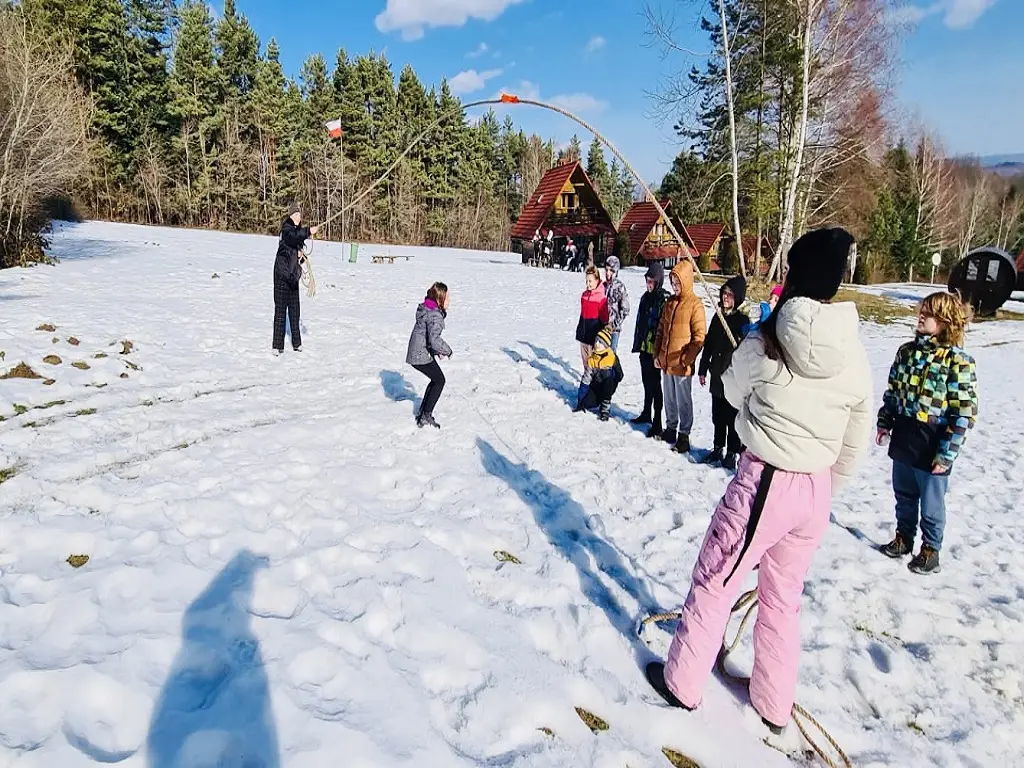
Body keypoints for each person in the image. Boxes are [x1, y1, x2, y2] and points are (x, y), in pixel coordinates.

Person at [644, 228, 873, 737]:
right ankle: (773, 703)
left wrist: (755, 403)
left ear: (795, 276)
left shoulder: (766, 339)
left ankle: (682, 683)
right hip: (815, 491)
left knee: (716, 578)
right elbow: (855, 433)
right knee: (782, 598)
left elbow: (729, 389)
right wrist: (827, 487)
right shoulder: (852, 352)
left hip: (766, 481)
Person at [876, 292, 978, 575]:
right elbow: (893, 392)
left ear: (946, 322)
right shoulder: (906, 352)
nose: (921, 316)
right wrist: (885, 420)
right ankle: (903, 538)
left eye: (929, 314)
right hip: (906, 434)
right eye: (922, 311)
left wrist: (947, 452)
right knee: (904, 493)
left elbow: (965, 412)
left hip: (934, 440)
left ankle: (930, 549)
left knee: (931, 502)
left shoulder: (957, 360)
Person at [653, 261, 706, 454]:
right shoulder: (669, 303)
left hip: (682, 364)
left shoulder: (695, 305)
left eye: (678, 283)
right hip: (666, 361)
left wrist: (686, 359)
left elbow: (699, 337)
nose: (674, 286)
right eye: (673, 282)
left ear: (686, 281)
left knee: (683, 399)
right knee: (669, 398)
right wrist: (657, 354)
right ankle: (671, 428)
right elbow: (660, 331)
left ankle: (684, 435)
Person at [698, 276, 751, 470]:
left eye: (730, 294)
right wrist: (703, 368)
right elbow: (709, 345)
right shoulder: (718, 317)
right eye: (724, 293)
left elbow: (748, 349)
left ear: (737, 297)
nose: (726, 297)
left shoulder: (742, 321)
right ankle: (717, 448)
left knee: (732, 418)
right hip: (717, 374)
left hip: (733, 377)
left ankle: (731, 453)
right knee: (717, 416)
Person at [631, 262, 671, 438]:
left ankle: (657, 421)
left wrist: (661, 350)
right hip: (644, 348)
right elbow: (640, 322)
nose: (649, 284)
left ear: (659, 281)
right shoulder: (644, 298)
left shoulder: (663, 299)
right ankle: (646, 412)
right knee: (646, 382)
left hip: (655, 350)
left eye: (652, 281)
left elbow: (664, 327)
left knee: (656, 386)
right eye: (647, 280)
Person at [273, 203, 319, 355]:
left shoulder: (297, 230)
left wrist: (301, 255)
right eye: (296, 215)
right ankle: (277, 346)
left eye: (299, 214)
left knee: (295, 312)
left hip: (293, 276)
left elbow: (297, 244)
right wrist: (308, 231)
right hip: (282, 275)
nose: (298, 217)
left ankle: (297, 343)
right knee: (280, 312)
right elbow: (292, 238)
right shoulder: (286, 229)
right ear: (291, 216)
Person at [406, 282, 453, 429]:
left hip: (417, 350)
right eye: (447, 298)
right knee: (439, 381)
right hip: (419, 354)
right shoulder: (435, 316)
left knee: (436, 379)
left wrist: (435, 350)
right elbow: (434, 339)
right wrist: (447, 350)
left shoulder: (426, 308)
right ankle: (425, 415)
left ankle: (423, 412)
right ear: (439, 299)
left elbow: (426, 334)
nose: (450, 301)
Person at [574, 266, 609, 411]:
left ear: (597, 280)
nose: (588, 284)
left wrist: (601, 339)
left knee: (592, 367)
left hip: (594, 339)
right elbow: (583, 315)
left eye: (590, 281)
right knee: (585, 366)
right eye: (586, 281)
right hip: (584, 336)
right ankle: (588, 394)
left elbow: (605, 320)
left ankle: (596, 396)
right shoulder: (584, 295)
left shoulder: (601, 298)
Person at [578, 326, 624, 421]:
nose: (597, 344)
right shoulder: (592, 359)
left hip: (608, 386)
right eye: (596, 341)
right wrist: (580, 401)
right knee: (587, 404)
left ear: (606, 345)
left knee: (608, 379)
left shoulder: (612, 358)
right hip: (595, 388)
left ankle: (605, 408)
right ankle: (597, 400)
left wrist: (612, 380)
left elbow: (620, 375)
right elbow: (585, 380)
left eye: (600, 342)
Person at [604, 256, 630, 352]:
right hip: (602, 328)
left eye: (611, 271)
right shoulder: (603, 286)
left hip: (613, 330)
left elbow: (625, 309)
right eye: (606, 270)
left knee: (610, 354)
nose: (607, 273)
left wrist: (614, 324)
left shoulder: (620, 287)